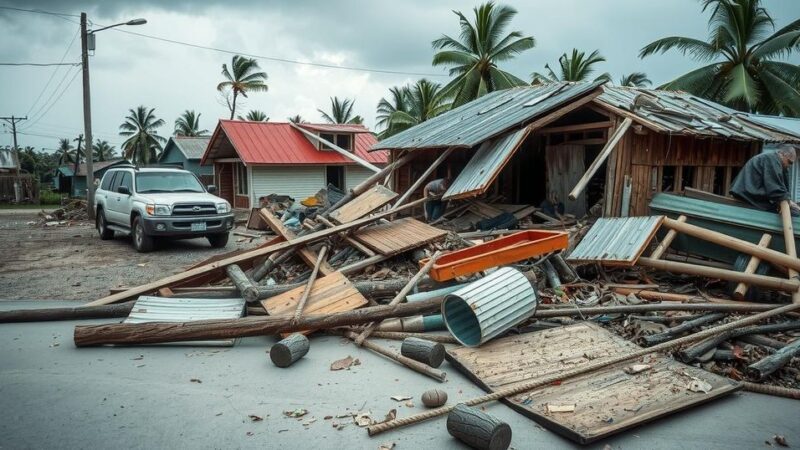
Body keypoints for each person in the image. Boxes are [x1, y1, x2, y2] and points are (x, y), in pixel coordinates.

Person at [730, 144, 800, 216]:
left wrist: (788, 200)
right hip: (748, 195)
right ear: (782, 154)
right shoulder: (772, 159)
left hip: (751, 194)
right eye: (789, 162)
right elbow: (774, 188)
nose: (789, 165)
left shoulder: (775, 160)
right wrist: (788, 201)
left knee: (793, 210)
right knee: (795, 213)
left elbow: (781, 187)